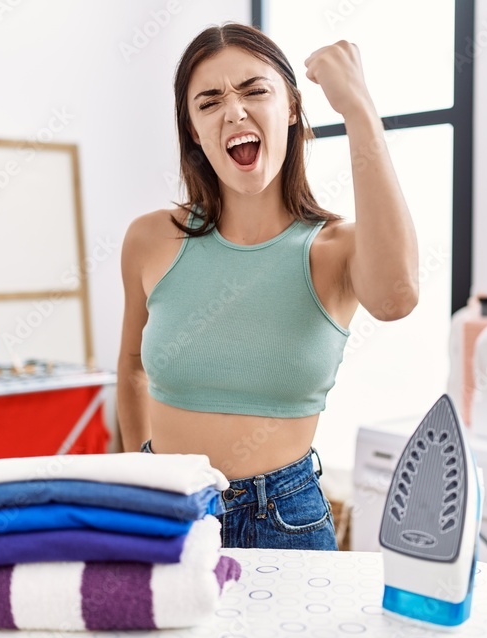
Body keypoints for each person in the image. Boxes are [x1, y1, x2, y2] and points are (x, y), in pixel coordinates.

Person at [117, 23, 418, 550]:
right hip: (162, 509)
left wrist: (359, 110)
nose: (233, 111)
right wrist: (135, 481)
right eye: (209, 102)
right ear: (192, 128)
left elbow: (397, 298)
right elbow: (133, 368)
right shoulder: (149, 238)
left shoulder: (337, 248)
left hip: (284, 521)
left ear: (294, 108)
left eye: (255, 91)